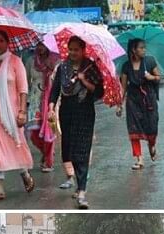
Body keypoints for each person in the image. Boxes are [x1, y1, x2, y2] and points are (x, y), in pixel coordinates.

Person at [0, 30, 36, 202]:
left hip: (11, 113)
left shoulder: (15, 62)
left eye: (1, 40)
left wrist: (23, 112)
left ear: (7, 42)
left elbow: (23, 90)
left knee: (14, 145)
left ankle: (24, 172)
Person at [48, 36, 104, 209]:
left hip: (85, 111)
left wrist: (83, 80)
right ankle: (78, 182)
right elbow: (55, 89)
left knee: (82, 151)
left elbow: (99, 91)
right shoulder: (62, 67)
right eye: (70, 49)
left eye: (76, 49)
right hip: (67, 111)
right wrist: (51, 109)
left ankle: (82, 191)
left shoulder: (90, 67)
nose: (72, 52)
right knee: (69, 150)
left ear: (83, 50)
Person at [117, 38, 161, 170]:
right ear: (133, 50)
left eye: (144, 48)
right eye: (141, 48)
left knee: (152, 127)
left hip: (149, 99)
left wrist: (151, 77)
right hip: (133, 101)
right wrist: (119, 104)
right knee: (133, 129)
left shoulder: (149, 61)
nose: (144, 50)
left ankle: (152, 145)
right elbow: (123, 87)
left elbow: (159, 77)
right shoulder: (126, 66)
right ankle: (139, 159)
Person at [25, 42, 60, 173]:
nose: (40, 48)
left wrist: (51, 68)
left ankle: (48, 161)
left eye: (43, 44)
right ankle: (45, 152)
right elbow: (26, 80)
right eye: (38, 44)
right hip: (34, 101)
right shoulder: (30, 61)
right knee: (34, 133)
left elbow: (59, 80)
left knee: (49, 131)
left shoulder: (55, 60)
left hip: (50, 101)